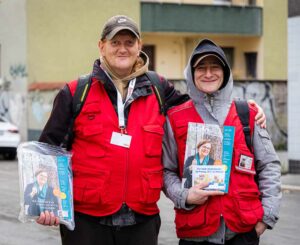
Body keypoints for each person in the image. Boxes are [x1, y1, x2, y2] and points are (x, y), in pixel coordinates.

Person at [37, 15, 266, 245]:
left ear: (139, 47)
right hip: (87, 223)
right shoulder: (77, 92)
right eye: (115, 42)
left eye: (129, 43)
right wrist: (45, 201)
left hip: (141, 223)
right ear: (102, 46)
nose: (122, 49)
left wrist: (245, 107)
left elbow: (200, 108)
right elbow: (47, 149)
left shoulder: (158, 88)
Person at [163, 39, 281, 245]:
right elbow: (165, 170)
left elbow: (269, 165)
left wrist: (266, 218)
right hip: (196, 233)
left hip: (242, 232)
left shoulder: (248, 114)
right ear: (191, 73)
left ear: (225, 72)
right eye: (201, 67)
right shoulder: (174, 118)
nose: (208, 74)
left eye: (215, 67)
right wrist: (184, 195)